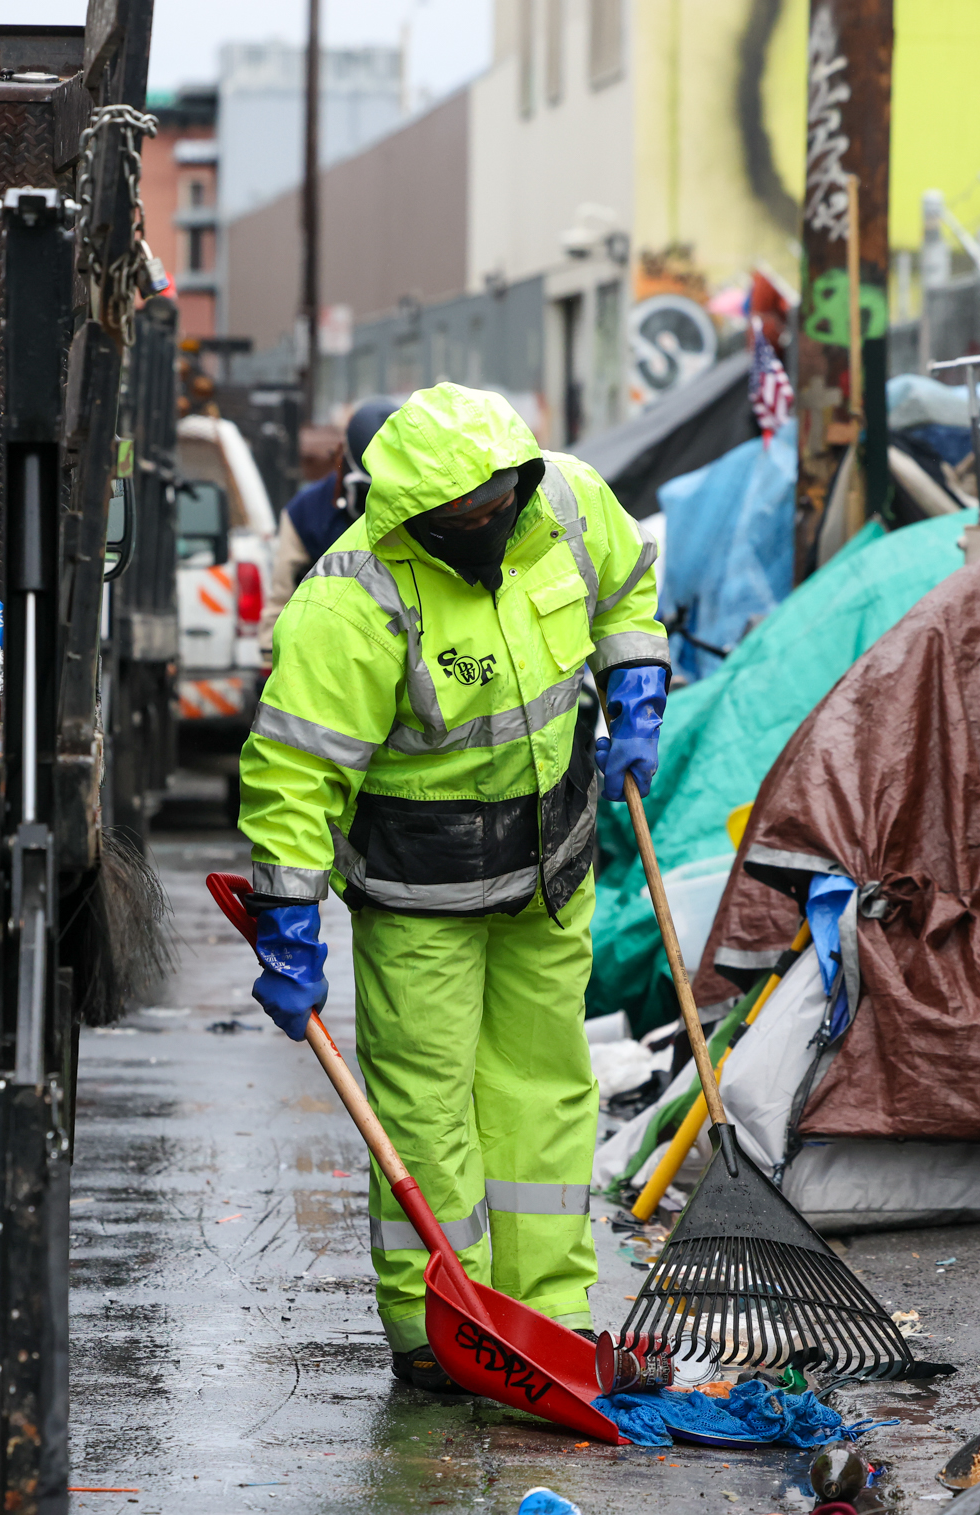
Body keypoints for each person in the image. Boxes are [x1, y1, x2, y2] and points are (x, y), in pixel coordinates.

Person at [234, 382, 667, 1389]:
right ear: (410, 518)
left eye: (495, 503)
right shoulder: (353, 601)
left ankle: (547, 1312)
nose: (484, 524)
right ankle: (438, 1326)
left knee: (544, 1091)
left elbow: (628, 591)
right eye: (458, 518)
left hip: (550, 872)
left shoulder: (561, 504)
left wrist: (638, 678)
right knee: (427, 1112)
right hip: (420, 894)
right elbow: (295, 771)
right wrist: (287, 914)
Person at [269, 396, 399, 614]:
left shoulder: (426, 505)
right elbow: (281, 599)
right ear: (342, 454)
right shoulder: (306, 512)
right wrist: (268, 647)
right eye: (367, 492)